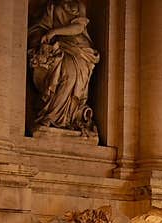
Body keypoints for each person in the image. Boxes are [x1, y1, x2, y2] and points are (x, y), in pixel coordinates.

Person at [28, 0, 100, 134]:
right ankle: (52, 116)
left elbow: (79, 27)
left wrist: (54, 32)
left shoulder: (80, 5)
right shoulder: (51, 6)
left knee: (75, 81)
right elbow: (37, 29)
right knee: (68, 75)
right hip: (61, 48)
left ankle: (69, 118)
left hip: (81, 51)